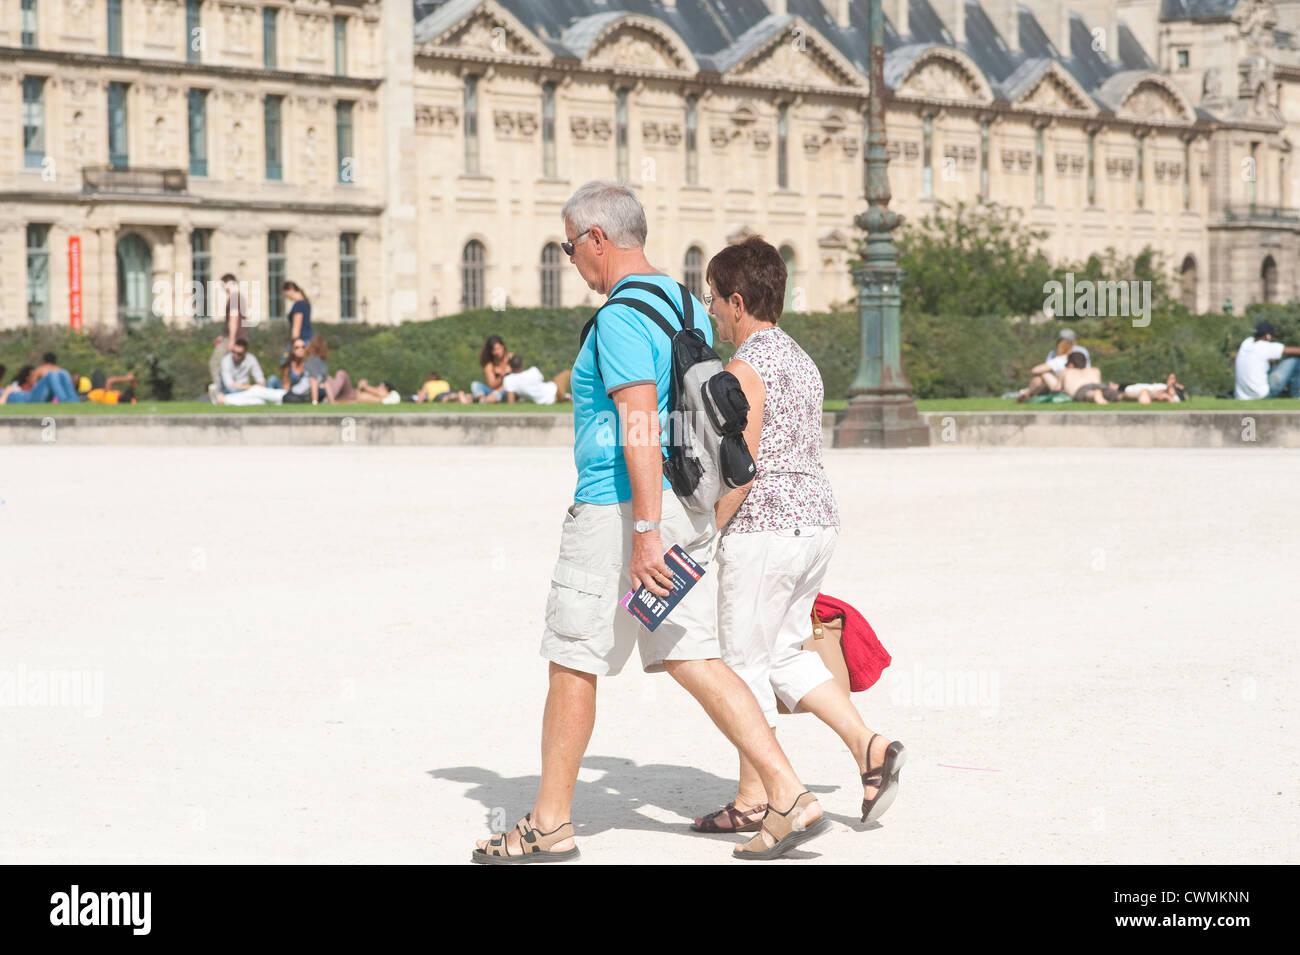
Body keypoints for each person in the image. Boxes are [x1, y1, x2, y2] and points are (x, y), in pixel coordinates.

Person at [471, 181, 825, 865]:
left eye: (571, 247)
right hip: (684, 505)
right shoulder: (687, 304)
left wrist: (643, 532)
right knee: (694, 654)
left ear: (599, 239)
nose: (571, 260)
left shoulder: (620, 318)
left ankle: (549, 823)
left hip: (620, 513)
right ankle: (786, 789)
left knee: (574, 657)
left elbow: (637, 420)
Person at [684, 236, 905, 837]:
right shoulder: (801, 359)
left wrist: (702, 539)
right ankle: (870, 747)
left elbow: (742, 467)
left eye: (713, 301)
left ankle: (760, 799)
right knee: (783, 654)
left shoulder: (746, 367)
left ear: (737, 300)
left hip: (767, 529)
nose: (711, 313)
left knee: (740, 666)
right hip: (817, 522)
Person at [1234, 320, 1300, 399]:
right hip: (1262, 395)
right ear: (1268, 336)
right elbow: (1296, 351)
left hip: (1241, 396)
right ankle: (1296, 396)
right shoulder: (1265, 346)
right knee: (1295, 360)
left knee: (1272, 367)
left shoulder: (1246, 343)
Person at [211, 337, 285, 405]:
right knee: (234, 390)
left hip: (249, 390)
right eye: (233, 352)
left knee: (273, 379)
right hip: (233, 391)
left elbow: (262, 382)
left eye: (239, 354)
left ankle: (284, 397)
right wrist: (252, 388)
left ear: (245, 352)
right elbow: (229, 385)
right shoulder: (226, 360)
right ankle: (282, 398)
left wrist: (254, 388)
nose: (235, 355)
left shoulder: (251, 359)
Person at [302, 338, 358, 403]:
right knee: (340, 373)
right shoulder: (312, 360)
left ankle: (335, 399)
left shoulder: (320, 361)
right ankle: (331, 399)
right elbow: (314, 381)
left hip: (318, 389)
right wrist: (315, 401)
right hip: (309, 391)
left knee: (333, 377)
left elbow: (325, 382)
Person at [279, 338, 318, 404]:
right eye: (297, 347)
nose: (300, 350)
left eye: (303, 347)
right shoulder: (288, 364)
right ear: (292, 350)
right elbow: (286, 384)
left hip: (303, 395)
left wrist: (314, 401)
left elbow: (314, 382)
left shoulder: (310, 364)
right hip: (289, 394)